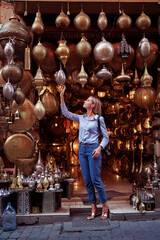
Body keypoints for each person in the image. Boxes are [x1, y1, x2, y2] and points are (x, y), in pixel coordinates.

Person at [60, 86, 109, 220]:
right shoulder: (81, 118)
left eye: (87, 100)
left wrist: (99, 148)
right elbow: (66, 113)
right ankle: (93, 207)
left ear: (92, 105)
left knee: (95, 179)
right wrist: (61, 96)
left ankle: (104, 205)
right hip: (82, 150)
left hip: (93, 149)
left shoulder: (99, 119)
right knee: (87, 181)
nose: (84, 101)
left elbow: (106, 137)